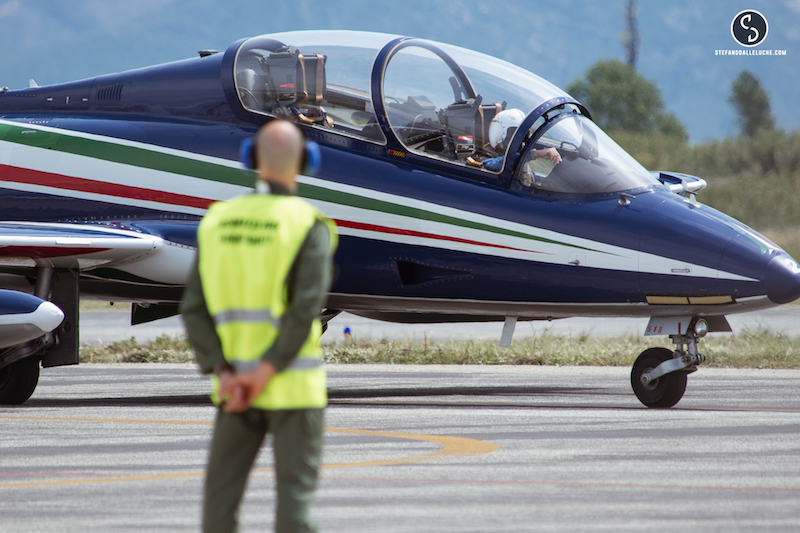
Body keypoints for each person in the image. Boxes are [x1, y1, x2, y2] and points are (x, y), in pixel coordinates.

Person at [180, 119, 337, 533]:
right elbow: (305, 310)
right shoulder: (307, 223)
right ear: (306, 162)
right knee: (293, 509)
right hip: (292, 390)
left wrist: (227, 372)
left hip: (233, 390)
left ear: (252, 157)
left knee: (218, 510)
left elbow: (194, 308)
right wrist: (265, 372)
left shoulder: (218, 221)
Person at [475, 108, 562, 171]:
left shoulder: (523, 167)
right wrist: (535, 154)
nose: (520, 142)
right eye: (514, 135)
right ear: (499, 133)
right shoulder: (485, 157)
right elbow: (494, 164)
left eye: (522, 136)